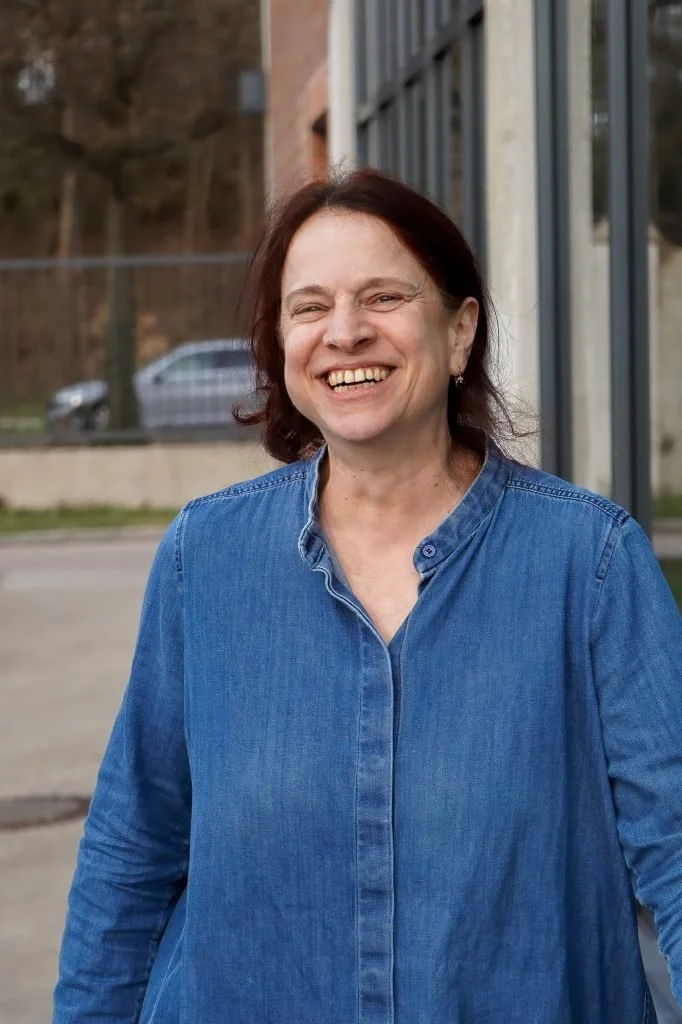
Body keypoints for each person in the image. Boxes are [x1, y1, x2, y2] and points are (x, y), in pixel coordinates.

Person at [53, 169, 682, 1024]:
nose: (344, 333)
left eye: (383, 296)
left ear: (459, 332)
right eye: (309, 308)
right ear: (281, 345)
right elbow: (132, 849)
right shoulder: (206, 559)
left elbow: (675, 850)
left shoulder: (591, 564)